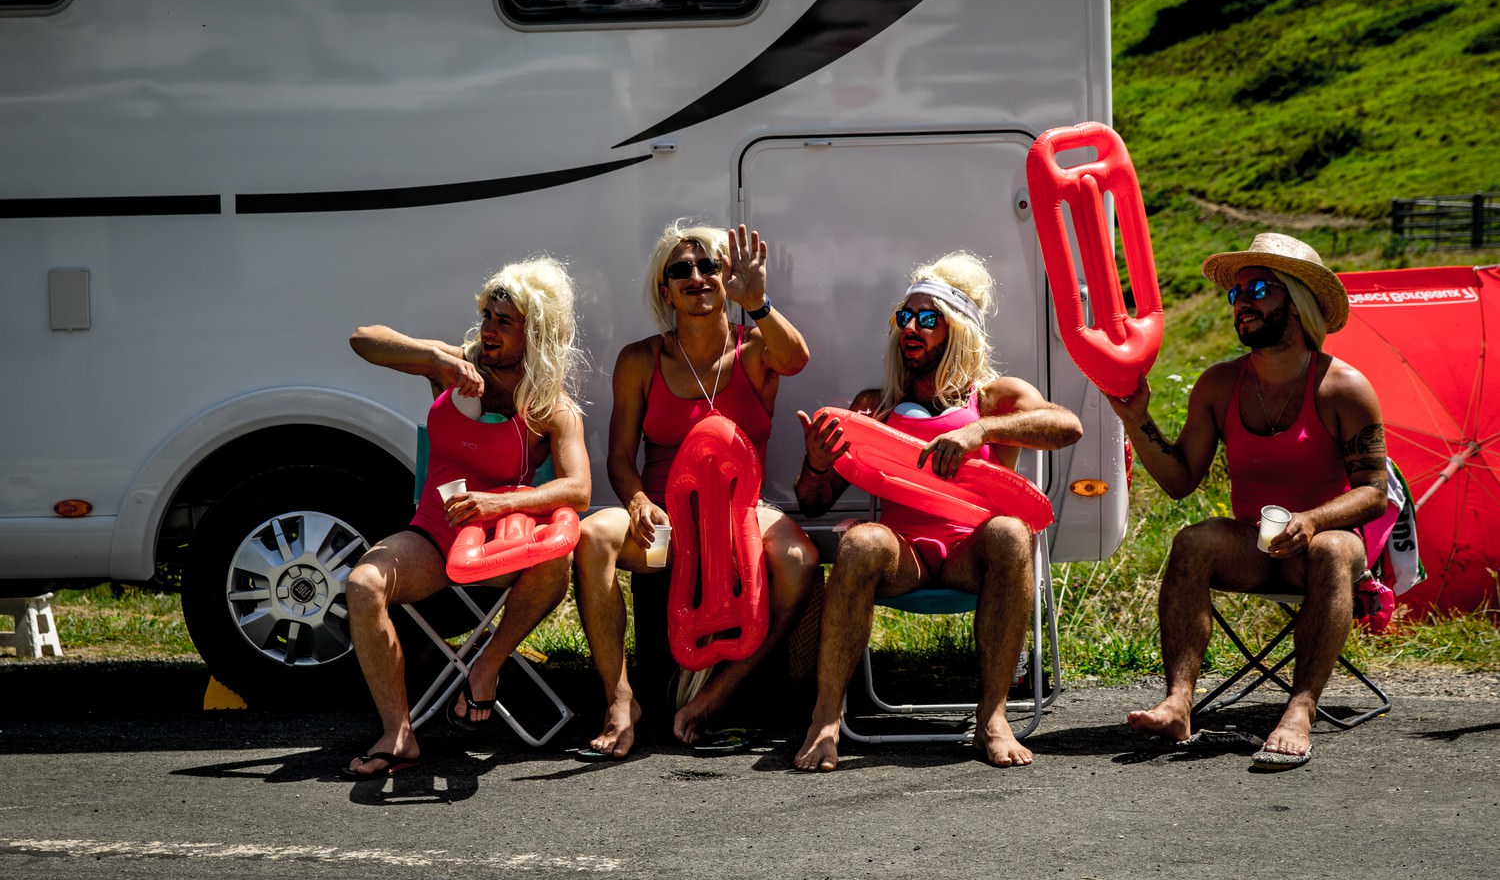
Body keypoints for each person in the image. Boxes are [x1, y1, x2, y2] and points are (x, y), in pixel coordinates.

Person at [793, 251, 1083, 772]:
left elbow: (1068, 427)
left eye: (928, 320)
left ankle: (992, 718)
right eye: (903, 317)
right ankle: (826, 718)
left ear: (960, 331)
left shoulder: (994, 398)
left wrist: (982, 431)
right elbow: (815, 501)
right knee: (860, 540)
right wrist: (816, 466)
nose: (911, 328)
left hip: (972, 553)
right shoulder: (874, 404)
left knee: (1012, 533)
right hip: (905, 557)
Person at [1107, 232, 1386, 769]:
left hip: (1325, 549)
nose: (1243, 303)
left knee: (1330, 549)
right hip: (1256, 548)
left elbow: (1374, 492)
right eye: (1236, 294)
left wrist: (1312, 520)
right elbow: (1180, 479)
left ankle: (1300, 708)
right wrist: (1135, 419)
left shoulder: (1343, 388)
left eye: (1259, 288)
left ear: (1298, 301)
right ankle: (1178, 703)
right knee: (1193, 541)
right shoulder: (1219, 385)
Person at [573, 220, 818, 758]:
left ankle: (719, 696)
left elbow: (796, 358)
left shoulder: (754, 347)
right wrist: (637, 500)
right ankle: (620, 701)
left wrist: (757, 303)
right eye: (680, 269)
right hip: (667, 520)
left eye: (709, 266)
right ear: (665, 289)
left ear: (726, 277)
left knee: (799, 559)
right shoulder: (641, 360)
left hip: (740, 514)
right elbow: (619, 456)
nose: (697, 277)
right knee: (593, 535)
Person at [341, 256, 591, 779]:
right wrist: (439, 358)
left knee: (556, 563)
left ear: (536, 332)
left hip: (499, 542)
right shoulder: (456, 366)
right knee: (364, 583)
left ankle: (488, 664)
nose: (489, 329)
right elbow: (364, 339)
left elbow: (579, 489)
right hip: (435, 534)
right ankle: (398, 732)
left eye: (505, 320)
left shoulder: (548, 404)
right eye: (487, 316)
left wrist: (502, 502)